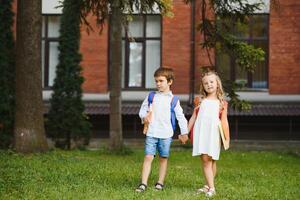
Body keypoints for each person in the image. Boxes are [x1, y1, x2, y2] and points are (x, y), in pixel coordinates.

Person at [135, 67, 189, 192]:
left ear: (169, 82)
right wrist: (144, 117)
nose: (158, 84)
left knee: (163, 158)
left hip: (166, 134)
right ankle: (143, 184)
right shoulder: (151, 96)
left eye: (161, 81)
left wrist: (184, 132)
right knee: (148, 157)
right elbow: (142, 111)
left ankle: (160, 182)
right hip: (152, 132)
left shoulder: (174, 100)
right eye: (156, 81)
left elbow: (181, 117)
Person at [188, 70, 230, 197]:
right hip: (202, 133)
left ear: (217, 84)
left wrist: (226, 138)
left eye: (212, 82)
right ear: (203, 86)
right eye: (206, 83)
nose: (209, 84)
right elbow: (193, 118)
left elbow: (224, 121)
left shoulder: (222, 103)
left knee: (211, 160)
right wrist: (185, 132)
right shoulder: (199, 101)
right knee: (206, 160)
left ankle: (210, 187)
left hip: (214, 134)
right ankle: (210, 187)